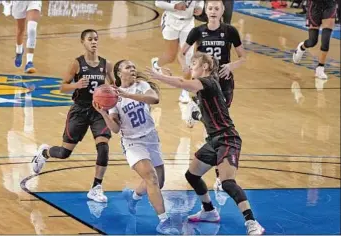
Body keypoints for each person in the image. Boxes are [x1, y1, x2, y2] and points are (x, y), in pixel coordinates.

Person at [145, 52, 264, 235]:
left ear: (205, 67)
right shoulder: (202, 89)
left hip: (227, 138)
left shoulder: (208, 82)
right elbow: (208, 110)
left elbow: (183, 83)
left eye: (194, 63)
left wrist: (159, 76)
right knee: (192, 175)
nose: (191, 66)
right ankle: (209, 211)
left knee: (227, 183)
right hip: (214, 140)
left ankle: (252, 222)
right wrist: (196, 115)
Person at [92, 59, 179, 235]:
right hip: (132, 142)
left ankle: (133, 197)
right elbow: (115, 129)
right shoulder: (113, 97)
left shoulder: (142, 85)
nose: (132, 69)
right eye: (128, 67)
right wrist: (102, 112)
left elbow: (154, 99)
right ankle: (164, 222)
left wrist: (128, 94)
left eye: (133, 66)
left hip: (151, 138)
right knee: (152, 178)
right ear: (118, 73)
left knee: (158, 182)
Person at [31, 29, 115, 203]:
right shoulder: (77, 63)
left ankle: (96, 187)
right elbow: (62, 86)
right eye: (90, 39)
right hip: (79, 110)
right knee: (64, 153)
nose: (94, 42)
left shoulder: (106, 64)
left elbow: (114, 86)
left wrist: (112, 94)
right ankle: (45, 152)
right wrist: (76, 84)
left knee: (103, 146)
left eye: (96, 39)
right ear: (82, 42)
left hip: (99, 111)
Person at [180, 0, 246, 190]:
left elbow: (243, 57)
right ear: (206, 12)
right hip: (203, 83)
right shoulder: (198, 32)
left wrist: (231, 65)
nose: (214, 11)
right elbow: (182, 51)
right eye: (210, 8)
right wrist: (186, 66)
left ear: (223, 10)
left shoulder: (230, 31)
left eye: (217, 8)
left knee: (220, 123)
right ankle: (220, 172)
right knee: (214, 126)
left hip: (223, 84)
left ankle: (221, 174)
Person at [151, 0, 205, 104]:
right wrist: (174, 6)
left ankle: (185, 92)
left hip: (188, 23)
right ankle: (156, 64)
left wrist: (200, 8)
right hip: (171, 21)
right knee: (170, 56)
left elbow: (200, 1)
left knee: (188, 57)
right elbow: (158, 2)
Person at [293, 0, 338, 79]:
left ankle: (320, 68)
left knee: (325, 40)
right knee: (312, 41)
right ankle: (301, 47)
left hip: (330, 5)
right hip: (314, 6)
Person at [12, 1, 42, 73]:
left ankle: (29, 62)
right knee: (20, 30)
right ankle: (19, 51)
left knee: (32, 29)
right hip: (19, 3)